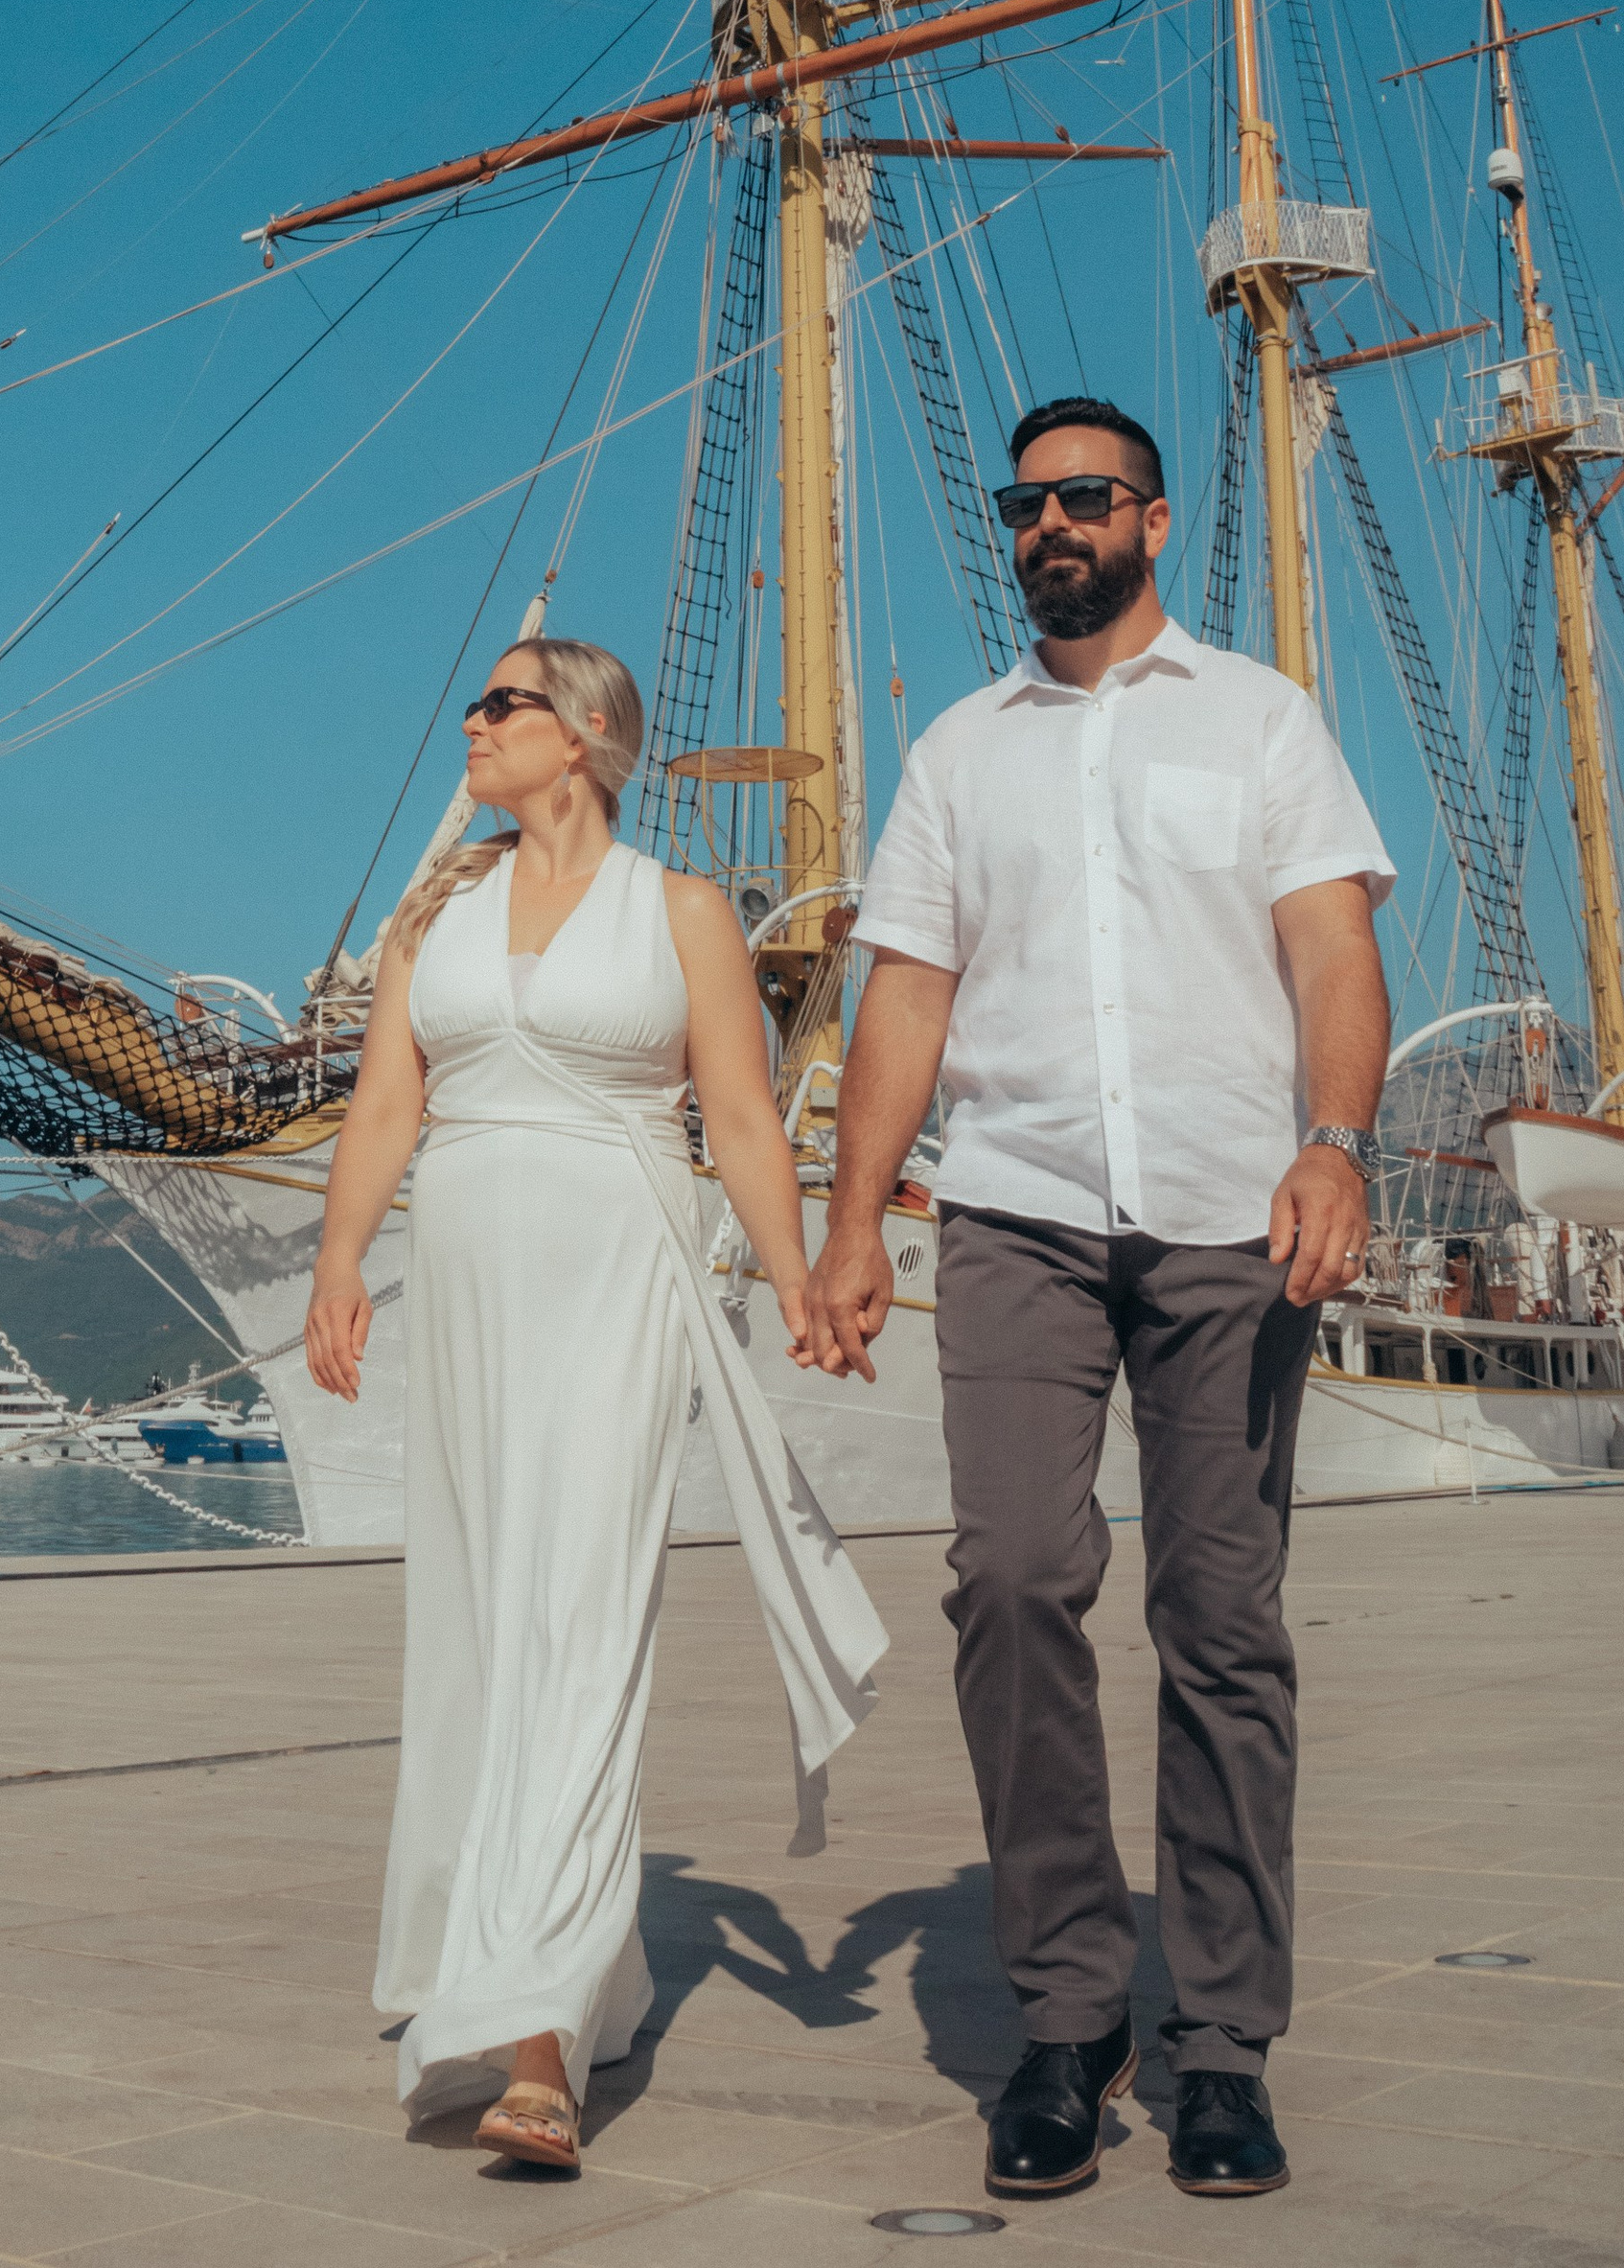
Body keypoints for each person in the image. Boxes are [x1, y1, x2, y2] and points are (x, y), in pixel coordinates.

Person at [806, 399, 1392, 2206]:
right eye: (1024, 504)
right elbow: (905, 994)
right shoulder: (963, 752)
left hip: (1231, 1212)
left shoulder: (1261, 717)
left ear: (1151, 514)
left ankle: (1221, 2041)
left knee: (1221, 1619)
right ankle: (1065, 2017)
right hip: (1019, 1209)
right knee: (1013, 1578)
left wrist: (1336, 1140)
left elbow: (1329, 947)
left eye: (1082, 498)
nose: (1049, 524)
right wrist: (847, 1230)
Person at [306, 636, 887, 2174]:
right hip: (476, 1286)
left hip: (621, 1276)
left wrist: (809, 1278)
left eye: (498, 704)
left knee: (580, 1618)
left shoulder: (682, 911)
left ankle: (543, 2034)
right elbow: (385, 1104)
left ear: (581, 736)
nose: (473, 724)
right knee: (491, 1620)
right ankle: (516, 1953)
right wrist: (340, 1259)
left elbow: (745, 1119)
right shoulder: (437, 914)